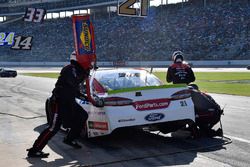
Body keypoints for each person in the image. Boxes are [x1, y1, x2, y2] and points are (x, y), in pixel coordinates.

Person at [27, 51, 91, 158]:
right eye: (84, 59)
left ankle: (69, 139)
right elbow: (73, 81)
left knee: (83, 115)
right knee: (53, 127)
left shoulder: (77, 70)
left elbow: (74, 89)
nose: (86, 61)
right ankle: (35, 150)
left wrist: (85, 96)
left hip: (69, 102)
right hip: (59, 102)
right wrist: (85, 73)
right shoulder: (69, 68)